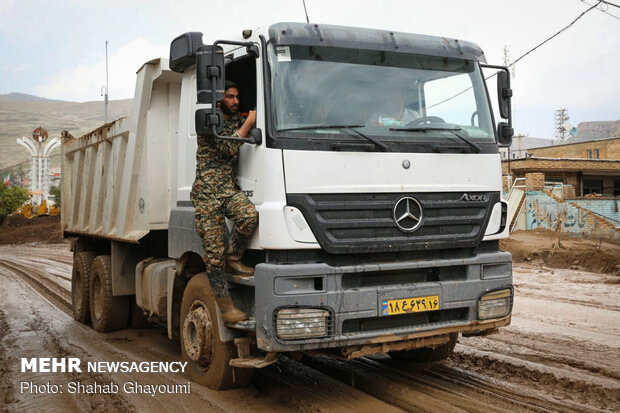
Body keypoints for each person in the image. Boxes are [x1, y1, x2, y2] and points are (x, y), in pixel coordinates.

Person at [190, 81, 258, 323]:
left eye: (237, 96)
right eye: (231, 97)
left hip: (228, 190)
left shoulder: (233, 120)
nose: (236, 101)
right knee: (214, 255)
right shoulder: (211, 121)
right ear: (219, 100)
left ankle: (235, 259)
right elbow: (229, 146)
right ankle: (227, 308)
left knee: (249, 216)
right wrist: (249, 122)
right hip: (207, 195)